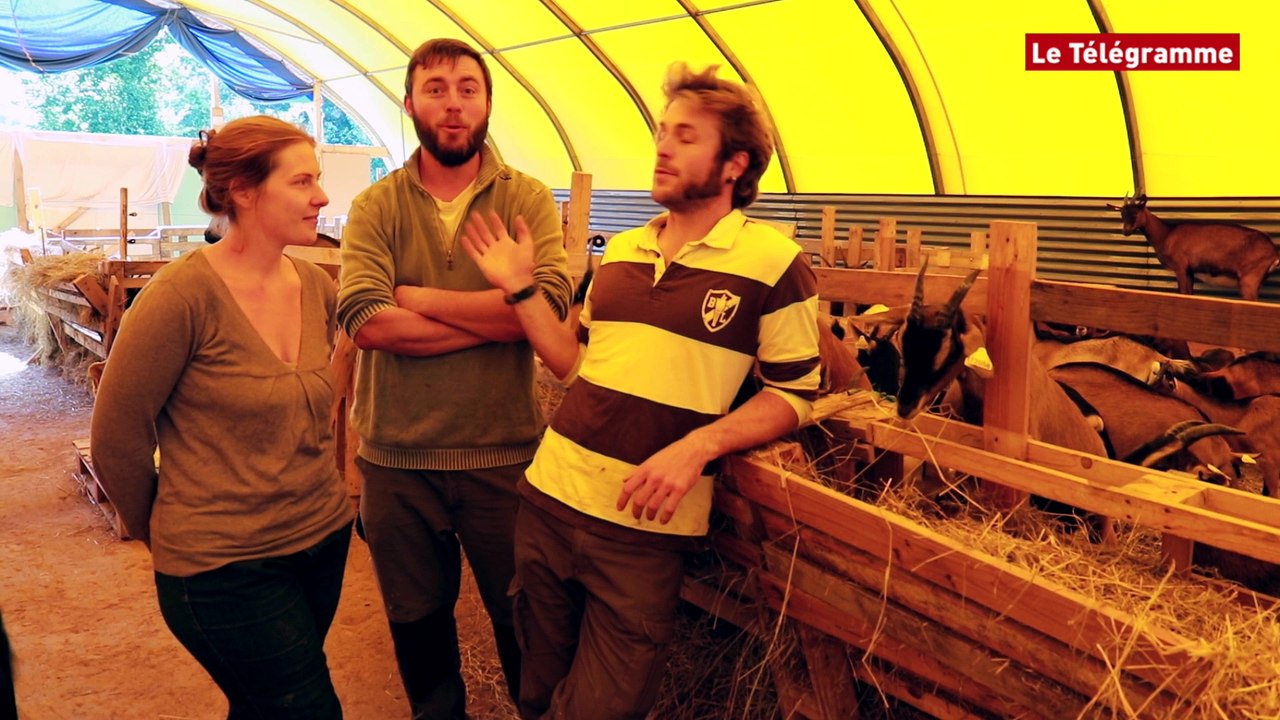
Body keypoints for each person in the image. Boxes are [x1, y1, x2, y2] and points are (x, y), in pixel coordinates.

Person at [460, 62, 822, 719]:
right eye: (661, 131)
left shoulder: (775, 264)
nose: (662, 145)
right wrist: (517, 290)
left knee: (606, 706)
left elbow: (795, 395)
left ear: (735, 163)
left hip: (643, 531)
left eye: (685, 136)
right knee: (538, 691)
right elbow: (576, 363)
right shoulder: (623, 251)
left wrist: (699, 447)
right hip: (549, 500)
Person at [336, 38, 572, 719]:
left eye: (468, 87)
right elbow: (367, 323)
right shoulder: (378, 205)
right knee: (417, 622)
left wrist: (419, 297)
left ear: (488, 102)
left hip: (501, 454)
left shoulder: (523, 196)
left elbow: (548, 309)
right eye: (435, 88)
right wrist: (504, 310)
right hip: (395, 459)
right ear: (409, 103)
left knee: (522, 617)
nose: (453, 102)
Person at [90, 116, 353, 719]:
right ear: (242, 190)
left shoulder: (316, 286)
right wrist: (168, 532)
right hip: (223, 564)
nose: (322, 197)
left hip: (320, 538)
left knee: (264, 705)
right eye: (303, 181)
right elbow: (116, 436)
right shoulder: (180, 297)